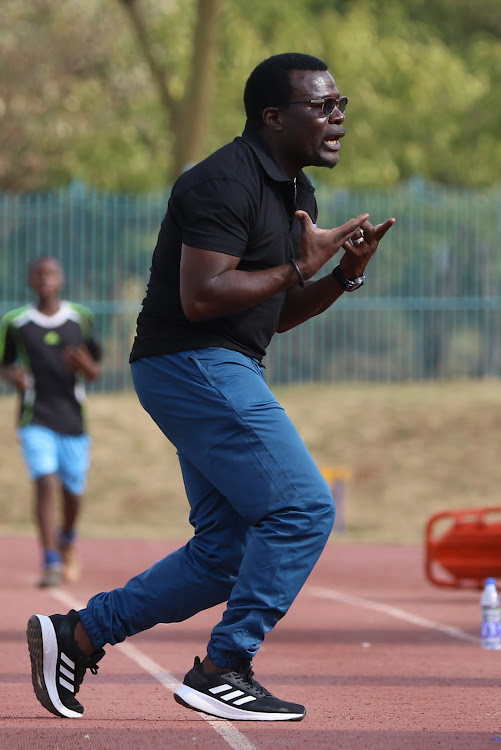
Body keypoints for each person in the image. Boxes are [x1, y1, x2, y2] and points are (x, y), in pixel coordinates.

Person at [26, 53, 395, 721]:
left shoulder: (296, 195)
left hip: (221, 363)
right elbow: (201, 298)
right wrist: (292, 266)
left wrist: (338, 277)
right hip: (192, 359)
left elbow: (270, 314)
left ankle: (77, 635)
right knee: (304, 510)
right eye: (323, 106)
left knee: (224, 554)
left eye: (340, 104)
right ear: (272, 117)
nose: (338, 117)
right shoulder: (220, 182)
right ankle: (226, 665)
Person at [0, 257, 101, 586]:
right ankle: (50, 560)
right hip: (35, 416)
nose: (45, 279)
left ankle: (67, 538)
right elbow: (3, 364)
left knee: (73, 492)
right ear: (30, 279)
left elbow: (95, 371)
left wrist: (84, 364)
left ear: (61, 278)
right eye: (39, 274)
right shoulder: (15, 322)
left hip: (73, 418)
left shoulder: (80, 318)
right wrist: (11, 376)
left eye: (51, 273)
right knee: (45, 480)